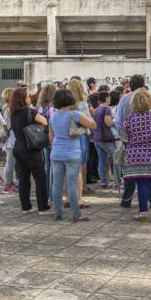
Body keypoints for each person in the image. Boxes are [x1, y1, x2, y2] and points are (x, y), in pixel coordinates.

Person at [121, 89, 151, 221]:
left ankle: (143, 212)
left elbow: (123, 138)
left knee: (142, 184)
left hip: (136, 157)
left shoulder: (129, 120)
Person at [49, 89, 96, 222]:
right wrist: (81, 128)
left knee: (56, 184)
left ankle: (57, 213)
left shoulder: (53, 116)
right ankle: (76, 214)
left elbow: (51, 138)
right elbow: (93, 125)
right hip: (72, 153)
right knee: (72, 184)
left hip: (56, 153)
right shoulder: (75, 114)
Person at [115, 74, 151, 208]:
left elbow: (118, 121)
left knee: (129, 171)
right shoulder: (148, 97)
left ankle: (127, 199)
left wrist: (123, 137)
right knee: (149, 169)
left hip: (129, 140)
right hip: (149, 139)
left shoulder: (124, 99)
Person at [9, 88, 51, 214]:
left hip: (17, 146)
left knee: (23, 178)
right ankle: (43, 207)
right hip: (30, 147)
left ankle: (26, 206)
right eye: (27, 96)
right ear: (23, 99)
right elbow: (45, 121)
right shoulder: (30, 112)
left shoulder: (12, 113)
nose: (30, 98)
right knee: (40, 177)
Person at [66, 79, 92, 207]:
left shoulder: (64, 106)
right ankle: (79, 197)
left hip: (66, 138)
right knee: (80, 166)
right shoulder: (82, 105)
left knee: (68, 169)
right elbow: (89, 122)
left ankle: (68, 198)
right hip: (80, 136)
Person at [93, 91, 118, 188]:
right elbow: (108, 123)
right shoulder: (107, 109)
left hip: (97, 138)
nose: (110, 99)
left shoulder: (97, 109)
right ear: (107, 98)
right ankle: (118, 182)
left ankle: (103, 182)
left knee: (102, 160)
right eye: (109, 97)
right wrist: (115, 120)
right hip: (107, 139)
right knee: (116, 159)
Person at [37, 84, 57, 201]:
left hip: (42, 137)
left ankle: (47, 193)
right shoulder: (54, 107)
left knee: (47, 166)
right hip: (52, 137)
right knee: (53, 166)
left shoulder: (40, 106)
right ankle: (52, 195)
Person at [0, 88, 18, 193]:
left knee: (11, 162)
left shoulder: (5, 107)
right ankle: (7, 185)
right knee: (10, 163)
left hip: (10, 139)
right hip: (11, 139)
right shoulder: (10, 109)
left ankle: (10, 182)